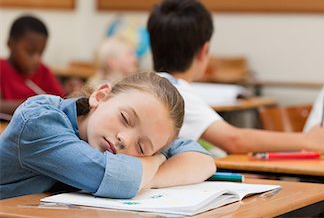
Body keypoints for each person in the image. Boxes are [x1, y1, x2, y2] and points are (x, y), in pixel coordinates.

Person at [147, 0, 324, 154]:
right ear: (204, 51)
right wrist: (307, 141)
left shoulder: (147, 85)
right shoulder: (174, 92)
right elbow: (234, 139)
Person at [0, 71, 216, 200]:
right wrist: (155, 160)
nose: (125, 139)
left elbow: (203, 160)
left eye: (141, 148)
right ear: (100, 96)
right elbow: (118, 179)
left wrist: (147, 177)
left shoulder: (141, 137)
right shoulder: (38, 121)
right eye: (125, 118)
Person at [0, 15, 65, 116]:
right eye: (30, 52)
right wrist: (36, 105)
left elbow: (61, 102)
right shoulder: (1, 68)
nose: (36, 59)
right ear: (10, 44)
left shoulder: (43, 71)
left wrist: (71, 92)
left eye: (41, 53)